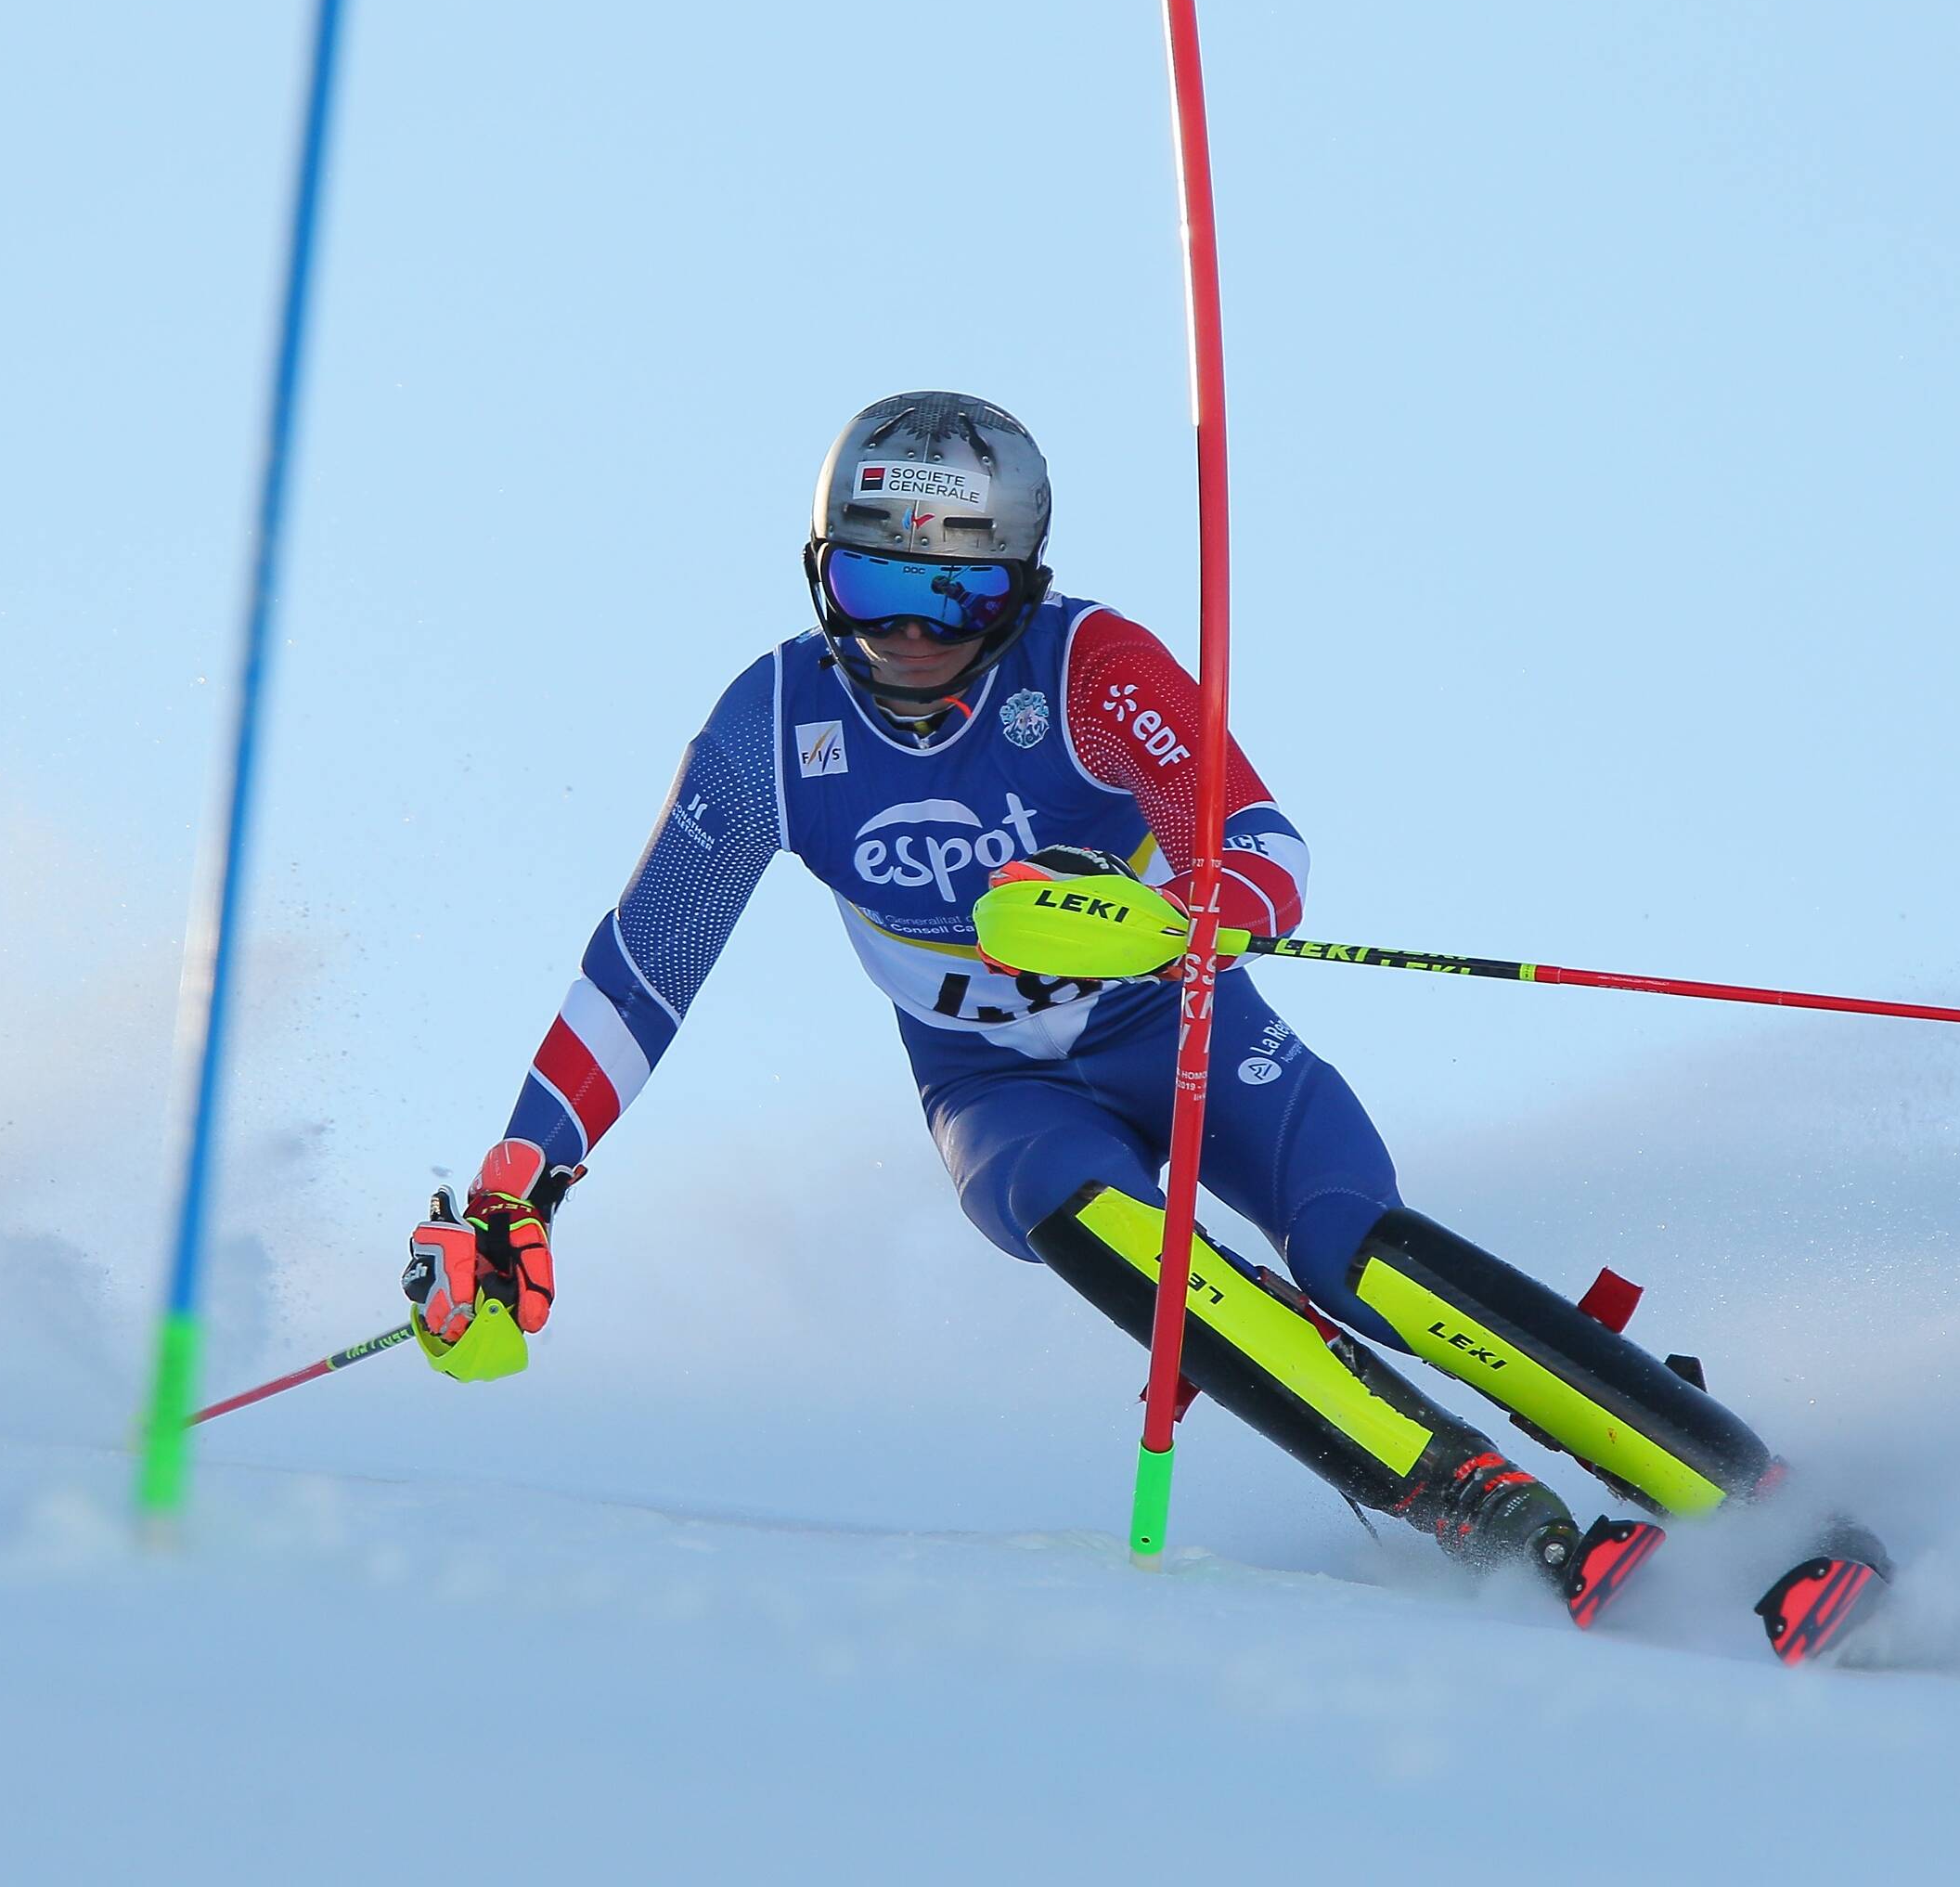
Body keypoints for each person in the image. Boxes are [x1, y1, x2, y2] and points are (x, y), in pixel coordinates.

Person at [403, 391, 1786, 1616]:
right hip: (995, 1088)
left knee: (1348, 1252)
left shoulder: (1091, 669)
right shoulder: (773, 725)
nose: (907, 637)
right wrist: (520, 1182)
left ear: (1020, 589)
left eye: (955, 600)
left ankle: (1743, 1491)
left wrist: (1199, 916)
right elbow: (644, 966)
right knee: (1102, 1223)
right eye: (874, 583)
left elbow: (1258, 837)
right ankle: (1481, 1506)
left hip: (1182, 1026)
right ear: (822, 575)